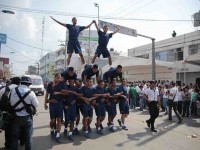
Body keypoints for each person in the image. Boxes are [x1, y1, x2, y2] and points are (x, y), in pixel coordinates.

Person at [10, 76, 39, 150]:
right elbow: (36, 104)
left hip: (16, 117)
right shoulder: (31, 93)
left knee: (15, 137)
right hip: (27, 118)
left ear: (21, 83)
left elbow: (11, 103)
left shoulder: (13, 90)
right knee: (28, 137)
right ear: (29, 84)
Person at [0, 77, 22, 149]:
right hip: (18, 113)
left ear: (11, 82)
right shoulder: (21, 90)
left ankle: (8, 144)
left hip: (6, 113)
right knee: (19, 128)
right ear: (19, 82)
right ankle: (21, 141)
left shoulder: (3, 89)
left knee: (8, 130)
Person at [44, 73, 64, 143]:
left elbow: (65, 93)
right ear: (54, 77)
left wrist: (58, 93)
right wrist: (46, 103)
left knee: (59, 120)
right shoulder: (50, 84)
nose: (59, 79)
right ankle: (52, 130)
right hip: (52, 104)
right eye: (58, 77)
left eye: (60, 78)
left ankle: (57, 135)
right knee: (52, 120)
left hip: (59, 104)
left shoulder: (62, 84)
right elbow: (47, 94)